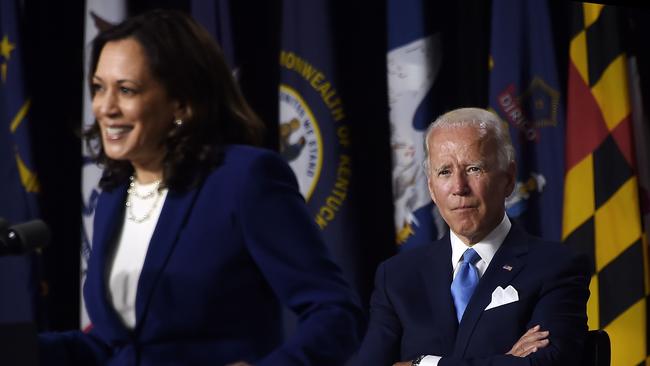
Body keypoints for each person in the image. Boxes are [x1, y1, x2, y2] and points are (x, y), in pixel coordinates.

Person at [38, 9, 363, 366]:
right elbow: (117, 343)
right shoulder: (114, 194)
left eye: (126, 90)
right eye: (99, 88)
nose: (105, 107)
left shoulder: (244, 179)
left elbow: (335, 312)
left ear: (181, 101)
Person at [355, 107, 590, 365]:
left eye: (474, 169)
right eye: (445, 171)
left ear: (509, 179)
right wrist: (504, 360)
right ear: (431, 188)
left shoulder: (556, 266)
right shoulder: (397, 276)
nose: (459, 188)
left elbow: (547, 363)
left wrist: (422, 363)